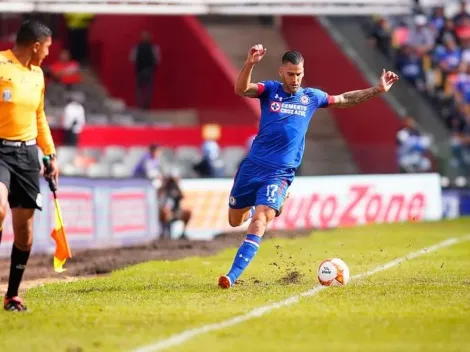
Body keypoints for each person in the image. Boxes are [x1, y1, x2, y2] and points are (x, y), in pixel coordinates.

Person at [218, 45, 399, 289]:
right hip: (251, 168)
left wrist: (377, 89)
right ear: (282, 72)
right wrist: (250, 63)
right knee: (234, 221)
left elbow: (344, 99)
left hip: (279, 174)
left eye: (299, 74)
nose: (295, 79)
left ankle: (231, 276)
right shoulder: (269, 90)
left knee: (260, 222)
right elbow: (241, 89)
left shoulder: (311, 97)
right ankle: (263, 205)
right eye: (291, 74)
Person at [0, 20, 59, 309]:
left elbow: (39, 116)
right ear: (36, 45)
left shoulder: (37, 75)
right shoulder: (0, 64)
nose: (48, 53)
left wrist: (50, 154)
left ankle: (11, 295)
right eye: (47, 47)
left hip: (26, 156)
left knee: (25, 235)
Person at [158, 171, 192, 239]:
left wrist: (176, 184)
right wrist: (164, 184)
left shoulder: (176, 189)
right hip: (165, 212)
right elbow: (158, 198)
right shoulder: (162, 189)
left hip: (175, 211)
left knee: (187, 212)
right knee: (165, 211)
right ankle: (164, 232)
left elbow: (182, 197)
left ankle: (183, 233)